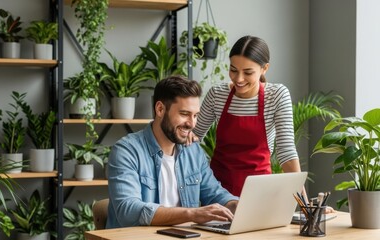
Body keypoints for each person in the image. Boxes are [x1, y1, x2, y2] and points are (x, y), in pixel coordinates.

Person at [106, 75, 239, 229]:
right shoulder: (127, 151)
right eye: (184, 114)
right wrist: (191, 214)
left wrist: (237, 206)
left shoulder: (193, 151)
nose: (191, 124)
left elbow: (215, 194)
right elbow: (127, 210)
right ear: (160, 109)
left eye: (195, 115)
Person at [191, 35, 301, 197]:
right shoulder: (217, 94)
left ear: (265, 68)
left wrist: (306, 205)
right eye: (233, 70)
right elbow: (194, 137)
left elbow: (286, 152)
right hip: (217, 191)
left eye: (248, 72)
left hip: (260, 192)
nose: (239, 79)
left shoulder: (277, 95)